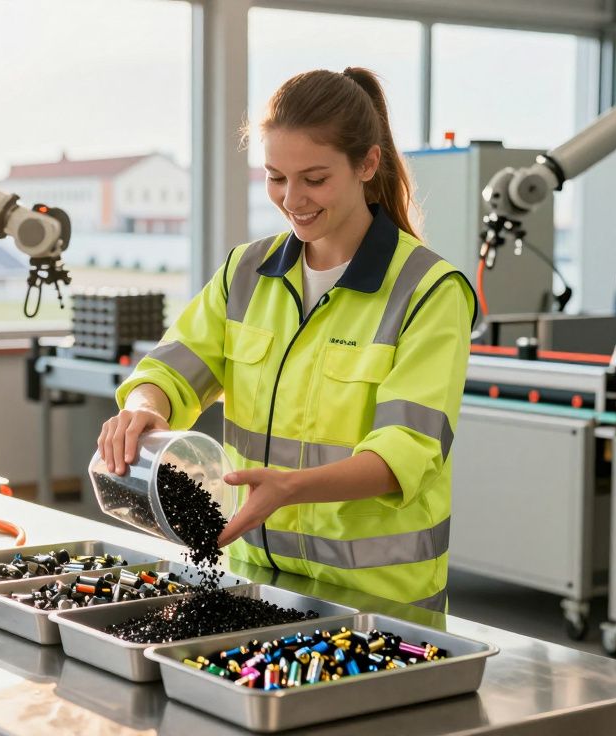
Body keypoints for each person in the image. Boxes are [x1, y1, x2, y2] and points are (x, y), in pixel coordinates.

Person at [97, 67, 474, 611]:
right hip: (254, 583)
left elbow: (404, 455)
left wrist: (291, 488)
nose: (292, 198)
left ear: (367, 164)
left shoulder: (429, 292)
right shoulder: (245, 272)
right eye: (276, 177)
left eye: (314, 179)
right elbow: (172, 368)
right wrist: (143, 408)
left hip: (378, 604)